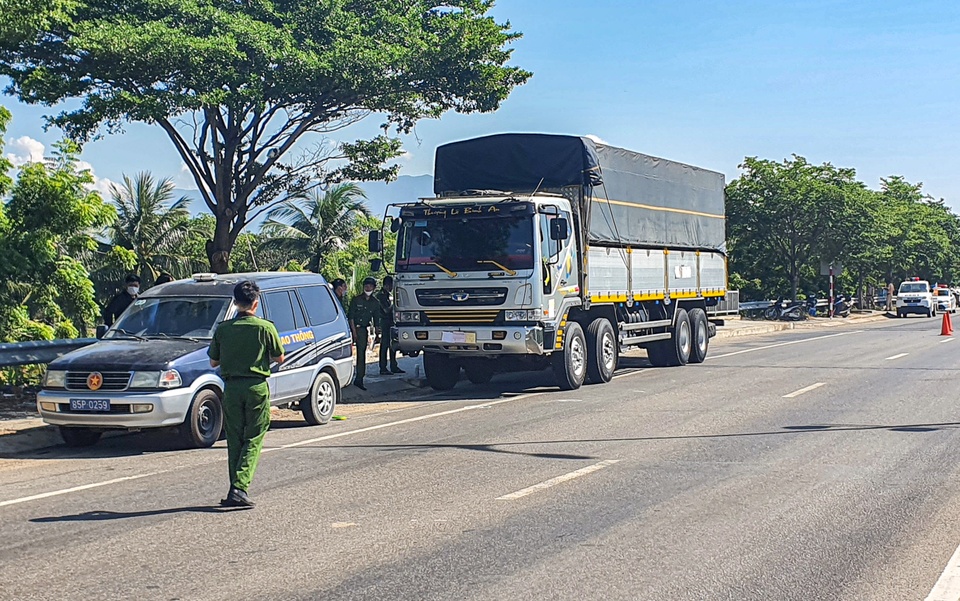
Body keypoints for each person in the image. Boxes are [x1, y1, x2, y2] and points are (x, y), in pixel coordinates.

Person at [208, 281, 285, 508]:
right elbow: (279, 357)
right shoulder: (265, 327)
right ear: (256, 303)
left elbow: (214, 361)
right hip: (256, 387)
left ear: (235, 302)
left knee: (234, 438)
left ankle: (235, 487)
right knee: (254, 437)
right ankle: (240, 487)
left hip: (231, 388)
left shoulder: (223, 329)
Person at [347, 277, 381, 390]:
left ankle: (359, 379)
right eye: (366, 285)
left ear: (374, 288)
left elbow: (376, 319)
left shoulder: (375, 303)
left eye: (370, 286)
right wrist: (353, 332)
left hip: (363, 330)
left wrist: (377, 332)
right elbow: (351, 316)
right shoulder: (356, 300)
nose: (368, 287)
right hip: (354, 328)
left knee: (361, 354)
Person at [376, 275, 404, 375]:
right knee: (385, 344)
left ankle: (393, 366)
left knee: (393, 344)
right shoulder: (380, 296)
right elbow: (386, 310)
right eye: (391, 286)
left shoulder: (387, 295)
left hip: (391, 322)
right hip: (384, 322)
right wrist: (394, 303)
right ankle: (383, 367)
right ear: (387, 285)